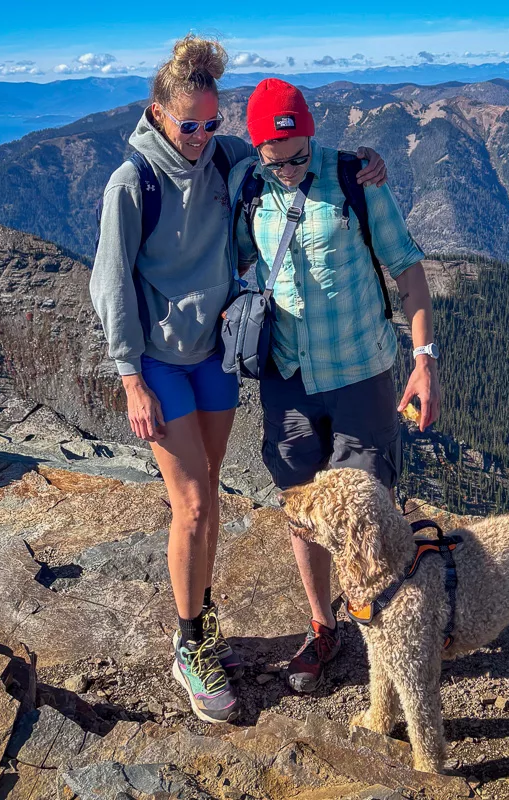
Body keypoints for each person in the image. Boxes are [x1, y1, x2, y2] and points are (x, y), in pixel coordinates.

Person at [90, 36, 387, 723]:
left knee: (206, 503)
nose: (199, 137)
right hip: (162, 361)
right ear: (158, 115)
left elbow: (288, 154)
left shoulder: (225, 157)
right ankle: (190, 644)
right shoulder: (131, 184)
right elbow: (109, 285)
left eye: (209, 123)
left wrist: (361, 162)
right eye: (187, 124)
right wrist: (130, 378)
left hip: (214, 356)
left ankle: (200, 612)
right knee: (193, 504)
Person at [229, 78, 443, 694]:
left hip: (360, 372)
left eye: (300, 154)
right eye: (278, 160)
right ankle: (324, 625)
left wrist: (424, 360)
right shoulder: (249, 187)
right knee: (303, 504)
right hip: (288, 378)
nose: (291, 168)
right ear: (257, 148)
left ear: (312, 134)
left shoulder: (354, 179)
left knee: (371, 505)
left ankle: (395, 622)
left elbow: (407, 269)